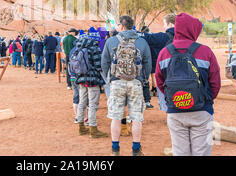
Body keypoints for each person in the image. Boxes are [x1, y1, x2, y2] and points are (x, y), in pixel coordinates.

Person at [155, 13, 221, 156]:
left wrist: (174, 97)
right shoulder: (205, 52)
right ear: (193, 29)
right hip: (202, 111)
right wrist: (206, 99)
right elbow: (215, 83)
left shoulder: (164, 53)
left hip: (175, 111)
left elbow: (160, 82)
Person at [102, 15, 152, 156]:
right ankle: (136, 149)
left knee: (116, 117)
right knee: (136, 117)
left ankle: (115, 149)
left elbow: (104, 62)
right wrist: (143, 79)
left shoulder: (111, 41)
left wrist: (110, 78)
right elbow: (148, 63)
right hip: (135, 82)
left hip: (116, 82)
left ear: (122, 26)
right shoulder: (141, 42)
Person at [70, 29, 108, 138]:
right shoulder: (94, 48)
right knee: (92, 104)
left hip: (81, 79)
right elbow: (98, 65)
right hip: (92, 80)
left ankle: (81, 127)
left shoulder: (79, 47)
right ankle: (93, 129)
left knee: (82, 102)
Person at [142, 13, 176, 111]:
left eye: (165, 24)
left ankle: (168, 111)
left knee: (163, 90)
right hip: (182, 73)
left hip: (166, 72)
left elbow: (147, 38)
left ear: (170, 24)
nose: (164, 26)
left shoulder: (163, 37)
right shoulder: (186, 37)